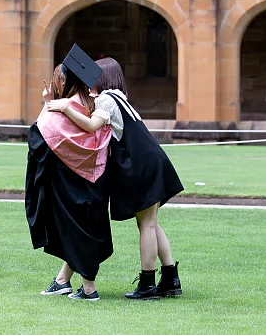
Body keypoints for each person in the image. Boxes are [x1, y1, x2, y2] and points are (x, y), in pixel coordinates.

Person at [47, 54, 184, 299]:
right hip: (153, 161)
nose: (90, 80)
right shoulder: (121, 98)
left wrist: (64, 106)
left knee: (148, 225)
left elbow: (91, 125)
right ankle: (170, 279)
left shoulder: (108, 100)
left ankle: (147, 285)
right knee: (150, 223)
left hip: (143, 164)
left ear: (104, 78)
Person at [26, 45, 114, 302]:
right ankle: (63, 281)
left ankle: (89, 289)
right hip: (96, 179)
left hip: (70, 182)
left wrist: (47, 104)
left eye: (59, 79)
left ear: (66, 81)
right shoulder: (92, 103)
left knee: (76, 231)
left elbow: (38, 136)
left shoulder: (65, 106)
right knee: (86, 228)